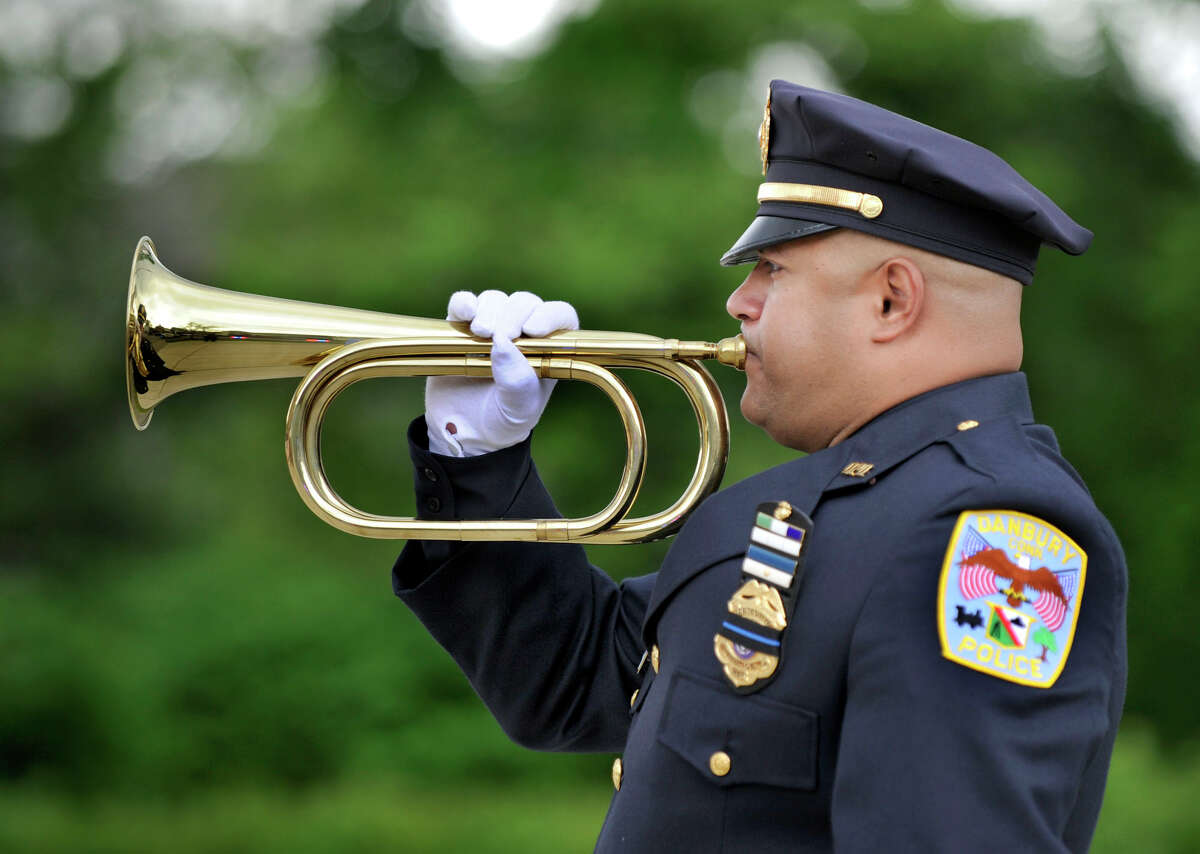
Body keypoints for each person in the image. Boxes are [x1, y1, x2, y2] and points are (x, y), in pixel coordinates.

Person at [392, 81, 1127, 852]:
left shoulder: (987, 529)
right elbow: (570, 679)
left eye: (771, 269)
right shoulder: (829, 510)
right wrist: (477, 452)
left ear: (891, 300)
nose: (739, 303)